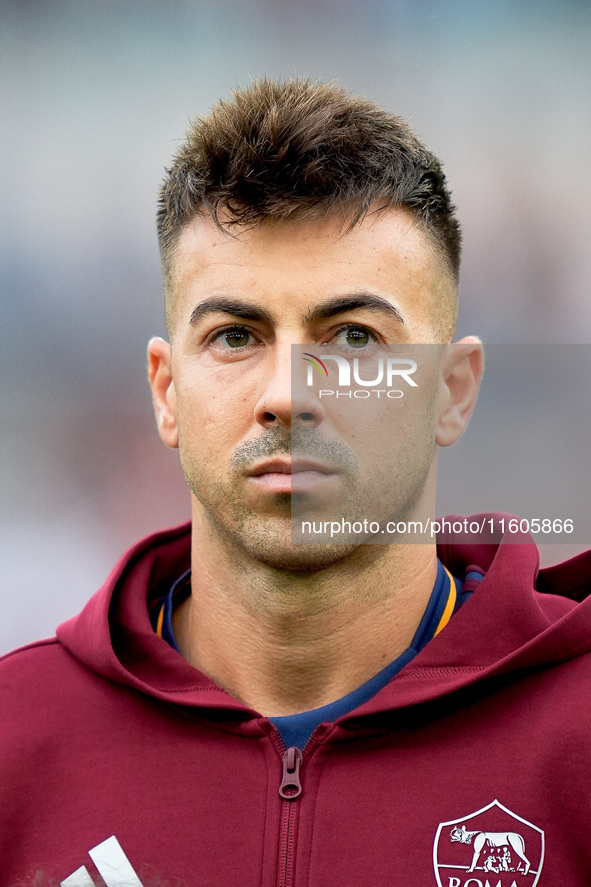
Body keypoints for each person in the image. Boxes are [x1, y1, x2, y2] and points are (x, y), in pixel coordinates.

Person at [1, 78, 590, 887]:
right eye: (235, 335)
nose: (287, 394)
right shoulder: (16, 743)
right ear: (166, 390)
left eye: (353, 335)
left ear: (451, 391)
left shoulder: (576, 736)